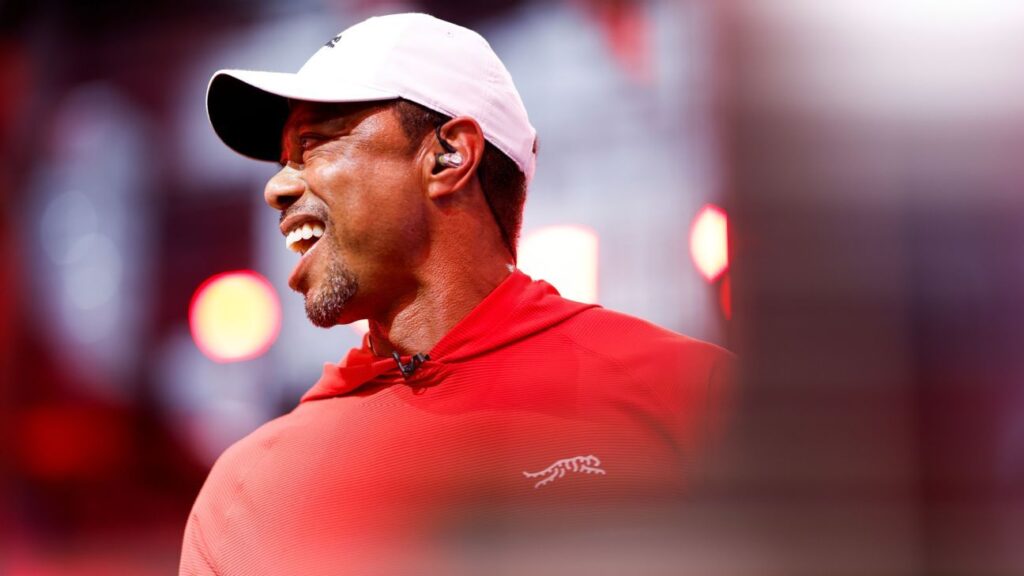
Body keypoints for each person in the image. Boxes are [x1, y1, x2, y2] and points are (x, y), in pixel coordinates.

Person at [182, 12, 733, 576]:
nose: (277, 187)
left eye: (315, 145)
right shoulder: (246, 492)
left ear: (450, 155)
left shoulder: (695, 398)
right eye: (283, 161)